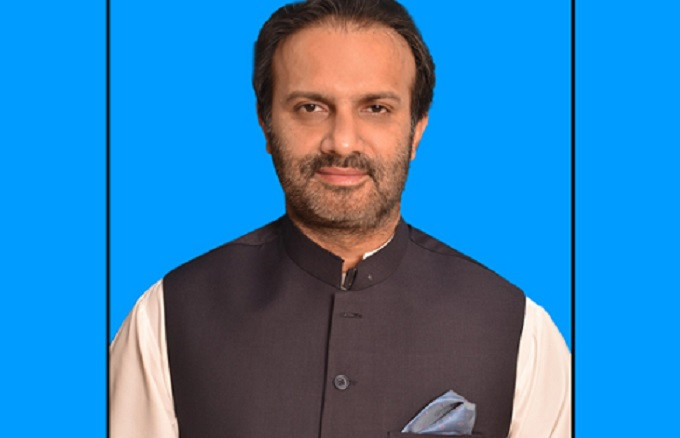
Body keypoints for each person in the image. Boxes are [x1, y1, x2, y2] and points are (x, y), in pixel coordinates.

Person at [110, 0, 571, 437]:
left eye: (376, 108)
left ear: (416, 130)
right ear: (266, 124)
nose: (343, 142)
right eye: (311, 108)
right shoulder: (165, 317)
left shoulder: (519, 332)